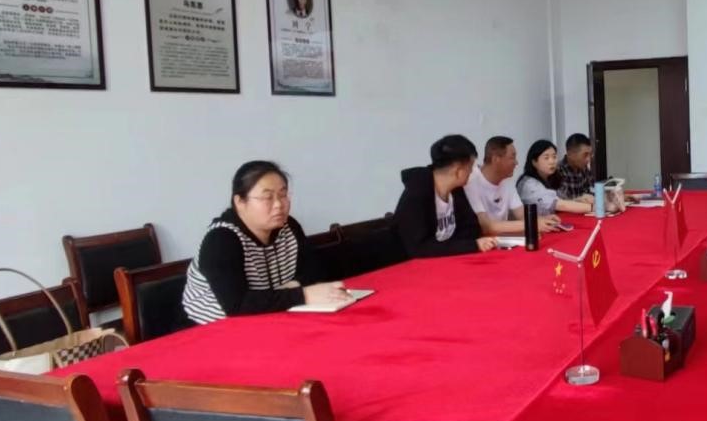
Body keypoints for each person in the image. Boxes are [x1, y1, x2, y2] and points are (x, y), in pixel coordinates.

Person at [182, 160, 351, 324]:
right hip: (212, 328)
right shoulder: (221, 240)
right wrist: (304, 294)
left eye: (283, 195)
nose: (278, 204)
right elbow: (237, 305)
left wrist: (291, 286)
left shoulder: (288, 226)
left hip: (270, 317)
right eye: (267, 197)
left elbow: (315, 269)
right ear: (240, 202)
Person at [393, 134, 498, 257]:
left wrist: (466, 245)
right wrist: (471, 245)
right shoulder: (416, 195)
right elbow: (419, 248)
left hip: (447, 260)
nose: (471, 172)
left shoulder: (456, 190)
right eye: (470, 167)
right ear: (458, 170)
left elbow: (472, 229)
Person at [464, 135, 562, 236]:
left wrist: (541, 220)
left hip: (501, 239)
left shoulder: (506, 179)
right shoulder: (471, 180)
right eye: (512, 157)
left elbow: (521, 214)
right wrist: (532, 224)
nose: (516, 162)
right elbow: (487, 226)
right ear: (496, 159)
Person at [517, 140, 594, 215]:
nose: (552, 162)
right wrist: (593, 207)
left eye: (554, 157)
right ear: (534, 162)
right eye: (546, 158)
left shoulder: (552, 177)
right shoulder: (528, 184)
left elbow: (562, 200)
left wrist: (578, 200)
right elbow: (559, 205)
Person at [556, 133, 595, 200]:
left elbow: (593, 190)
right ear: (570, 154)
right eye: (585, 155)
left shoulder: (584, 168)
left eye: (590, 154)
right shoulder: (558, 171)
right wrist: (580, 200)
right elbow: (560, 201)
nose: (588, 159)